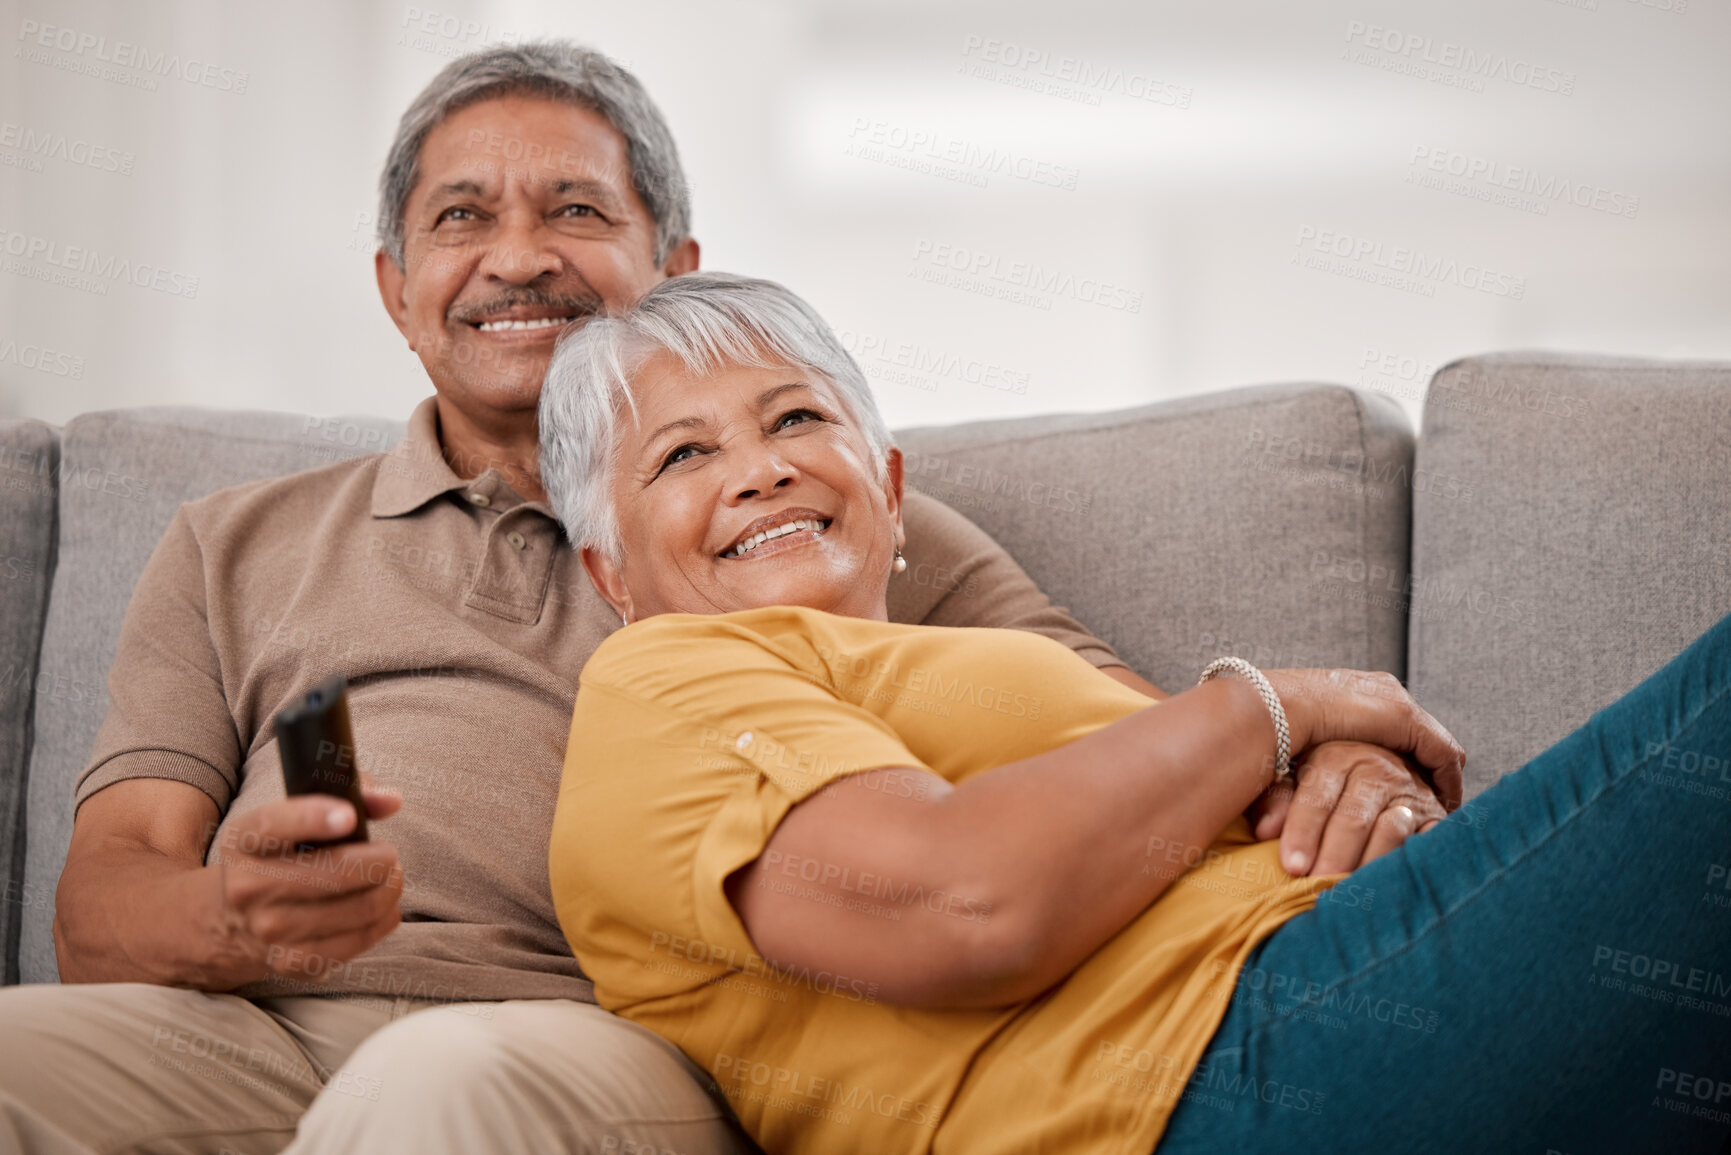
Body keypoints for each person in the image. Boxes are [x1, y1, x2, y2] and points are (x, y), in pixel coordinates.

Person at [0, 43, 1150, 1155]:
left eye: (578, 212)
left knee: (437, 1090)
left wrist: (1304, 737)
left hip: (604, 1036)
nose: (516, 259)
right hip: (246, 1024)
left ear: (677, 271)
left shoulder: (805, 513)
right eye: (461, 217)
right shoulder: (229, 544)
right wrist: (233, 917)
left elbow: (1127, 731)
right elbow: (100, 904)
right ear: (397, 293)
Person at [543, 271, 1731, 1155]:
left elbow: (1197, 803)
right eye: (683, 455)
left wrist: (1353, 775)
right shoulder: (662, 684)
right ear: (610, 573)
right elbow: (964, 903)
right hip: (1211, 1075)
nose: (760, 468)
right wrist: (1287, 704)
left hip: (1340, 972)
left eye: (796, 420)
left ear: (892, 491)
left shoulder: (964, 666)